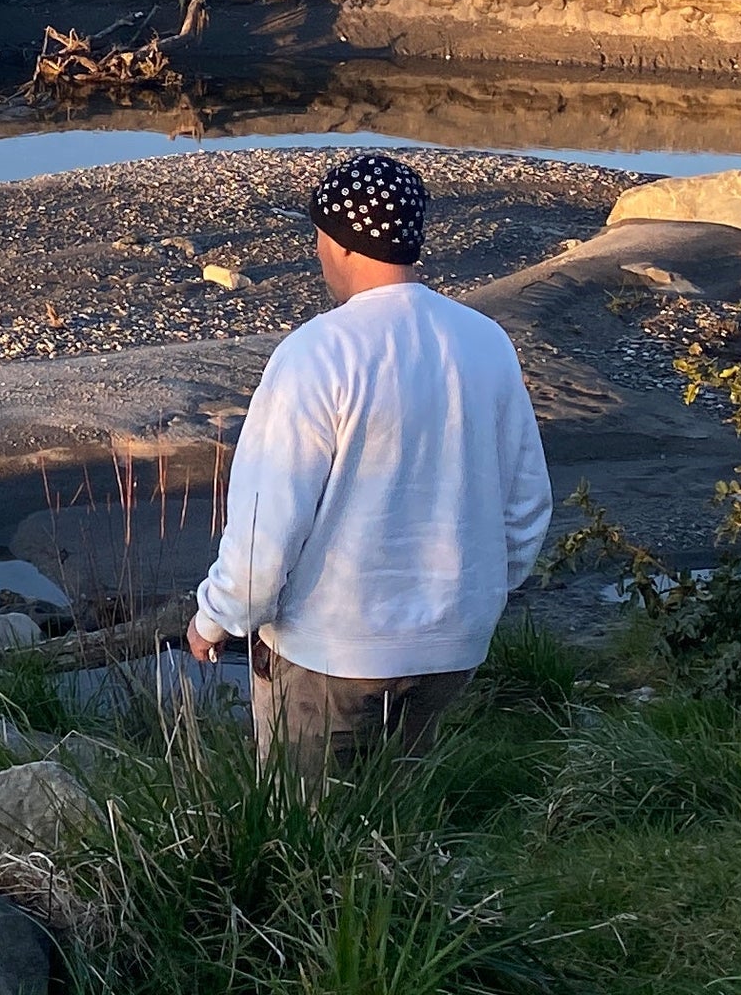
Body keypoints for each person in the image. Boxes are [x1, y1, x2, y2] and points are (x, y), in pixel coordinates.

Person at [186, 151, 550, 776]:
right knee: (397, 818)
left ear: (342, 241)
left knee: (306, 834)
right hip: (450, 644)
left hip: (331, 647)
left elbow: (264, 526)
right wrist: (478, 594)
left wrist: (217, 618)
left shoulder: (317, 354)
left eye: (320, 237)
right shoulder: (485, 341)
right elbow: (526, 503)